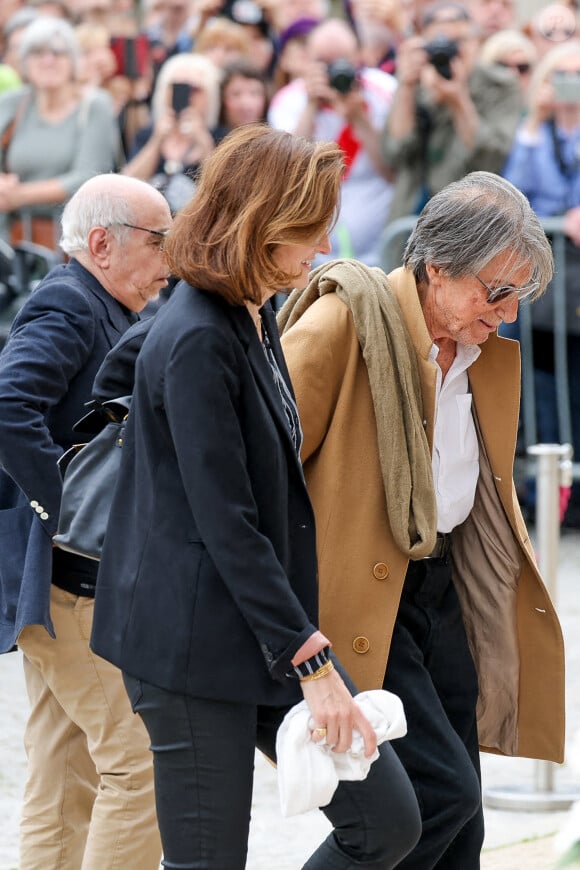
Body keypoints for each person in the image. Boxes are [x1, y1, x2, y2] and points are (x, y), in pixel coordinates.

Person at [90, 123, 422, 869]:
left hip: (255, 627)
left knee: (389, 822)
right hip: (191, 642)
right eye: (311, 233)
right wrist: (312, 662)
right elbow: (226, 524)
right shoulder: (201, 332)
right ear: (261, 229)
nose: (324, 250)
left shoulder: (249, 307)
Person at [278, 170, 565, 868]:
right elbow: (261, 461)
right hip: (369, 597)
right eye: (495, 291)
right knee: (440, 799)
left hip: (444, 592)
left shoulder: (482, 351)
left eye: (518, 296)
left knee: (462, 823)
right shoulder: (349, 320)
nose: (506, 313)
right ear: (436, 266)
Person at [0, 172, 171, 869]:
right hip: (65, 576)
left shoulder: (98, 301)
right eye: (160, 242)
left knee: (64, 771)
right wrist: (66, 507)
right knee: (140, 765)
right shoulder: (70, 305)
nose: (170, 260)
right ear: (101, 243)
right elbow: (8, 406)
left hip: (60, 576)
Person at [502, 39, 580, 526]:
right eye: (560, 74)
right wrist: (536, 119)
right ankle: (545, 495)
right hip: (543, 287)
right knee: (542, 392)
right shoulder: (533, 133)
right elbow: (512, 193)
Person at [268, 17, 397, 266]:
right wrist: (311, 106)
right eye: (323, 62)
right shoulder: (290, 100)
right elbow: (287, 172)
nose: (333, 70)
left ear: (358, 56)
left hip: (378, 248)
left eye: (341, 61)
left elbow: (392, 170)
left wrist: (359, 119)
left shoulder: (385, 90)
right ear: (309, 60)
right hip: (313, 252)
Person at [381, 1, 521, 229]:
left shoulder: (500, 84)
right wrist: (406, 86)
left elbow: (491, 158)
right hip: (412, 219)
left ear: (476, 42)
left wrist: (459, 100)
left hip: (474, 222)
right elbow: (394, 152)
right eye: (438, 43)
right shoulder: (413, 82)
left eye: (457, 42)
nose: (448, 52)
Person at [0, 16, 121, 250]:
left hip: (73, 244)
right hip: (11, 240)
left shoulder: (95, 105)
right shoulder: (11, 103)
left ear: (73, 60)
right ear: (24, 61)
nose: (48, 60)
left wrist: (18, 195)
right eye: (37, 52)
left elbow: (88, 177)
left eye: (58, 52)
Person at [122, 51, 221, 212]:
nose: (187, 96)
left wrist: (202, 140)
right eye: (176, 88)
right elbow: (126, 185)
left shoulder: (220, 137)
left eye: (195, 89)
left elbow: (223, 190)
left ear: (209, 95)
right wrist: (157, 141)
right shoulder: (147, 134)